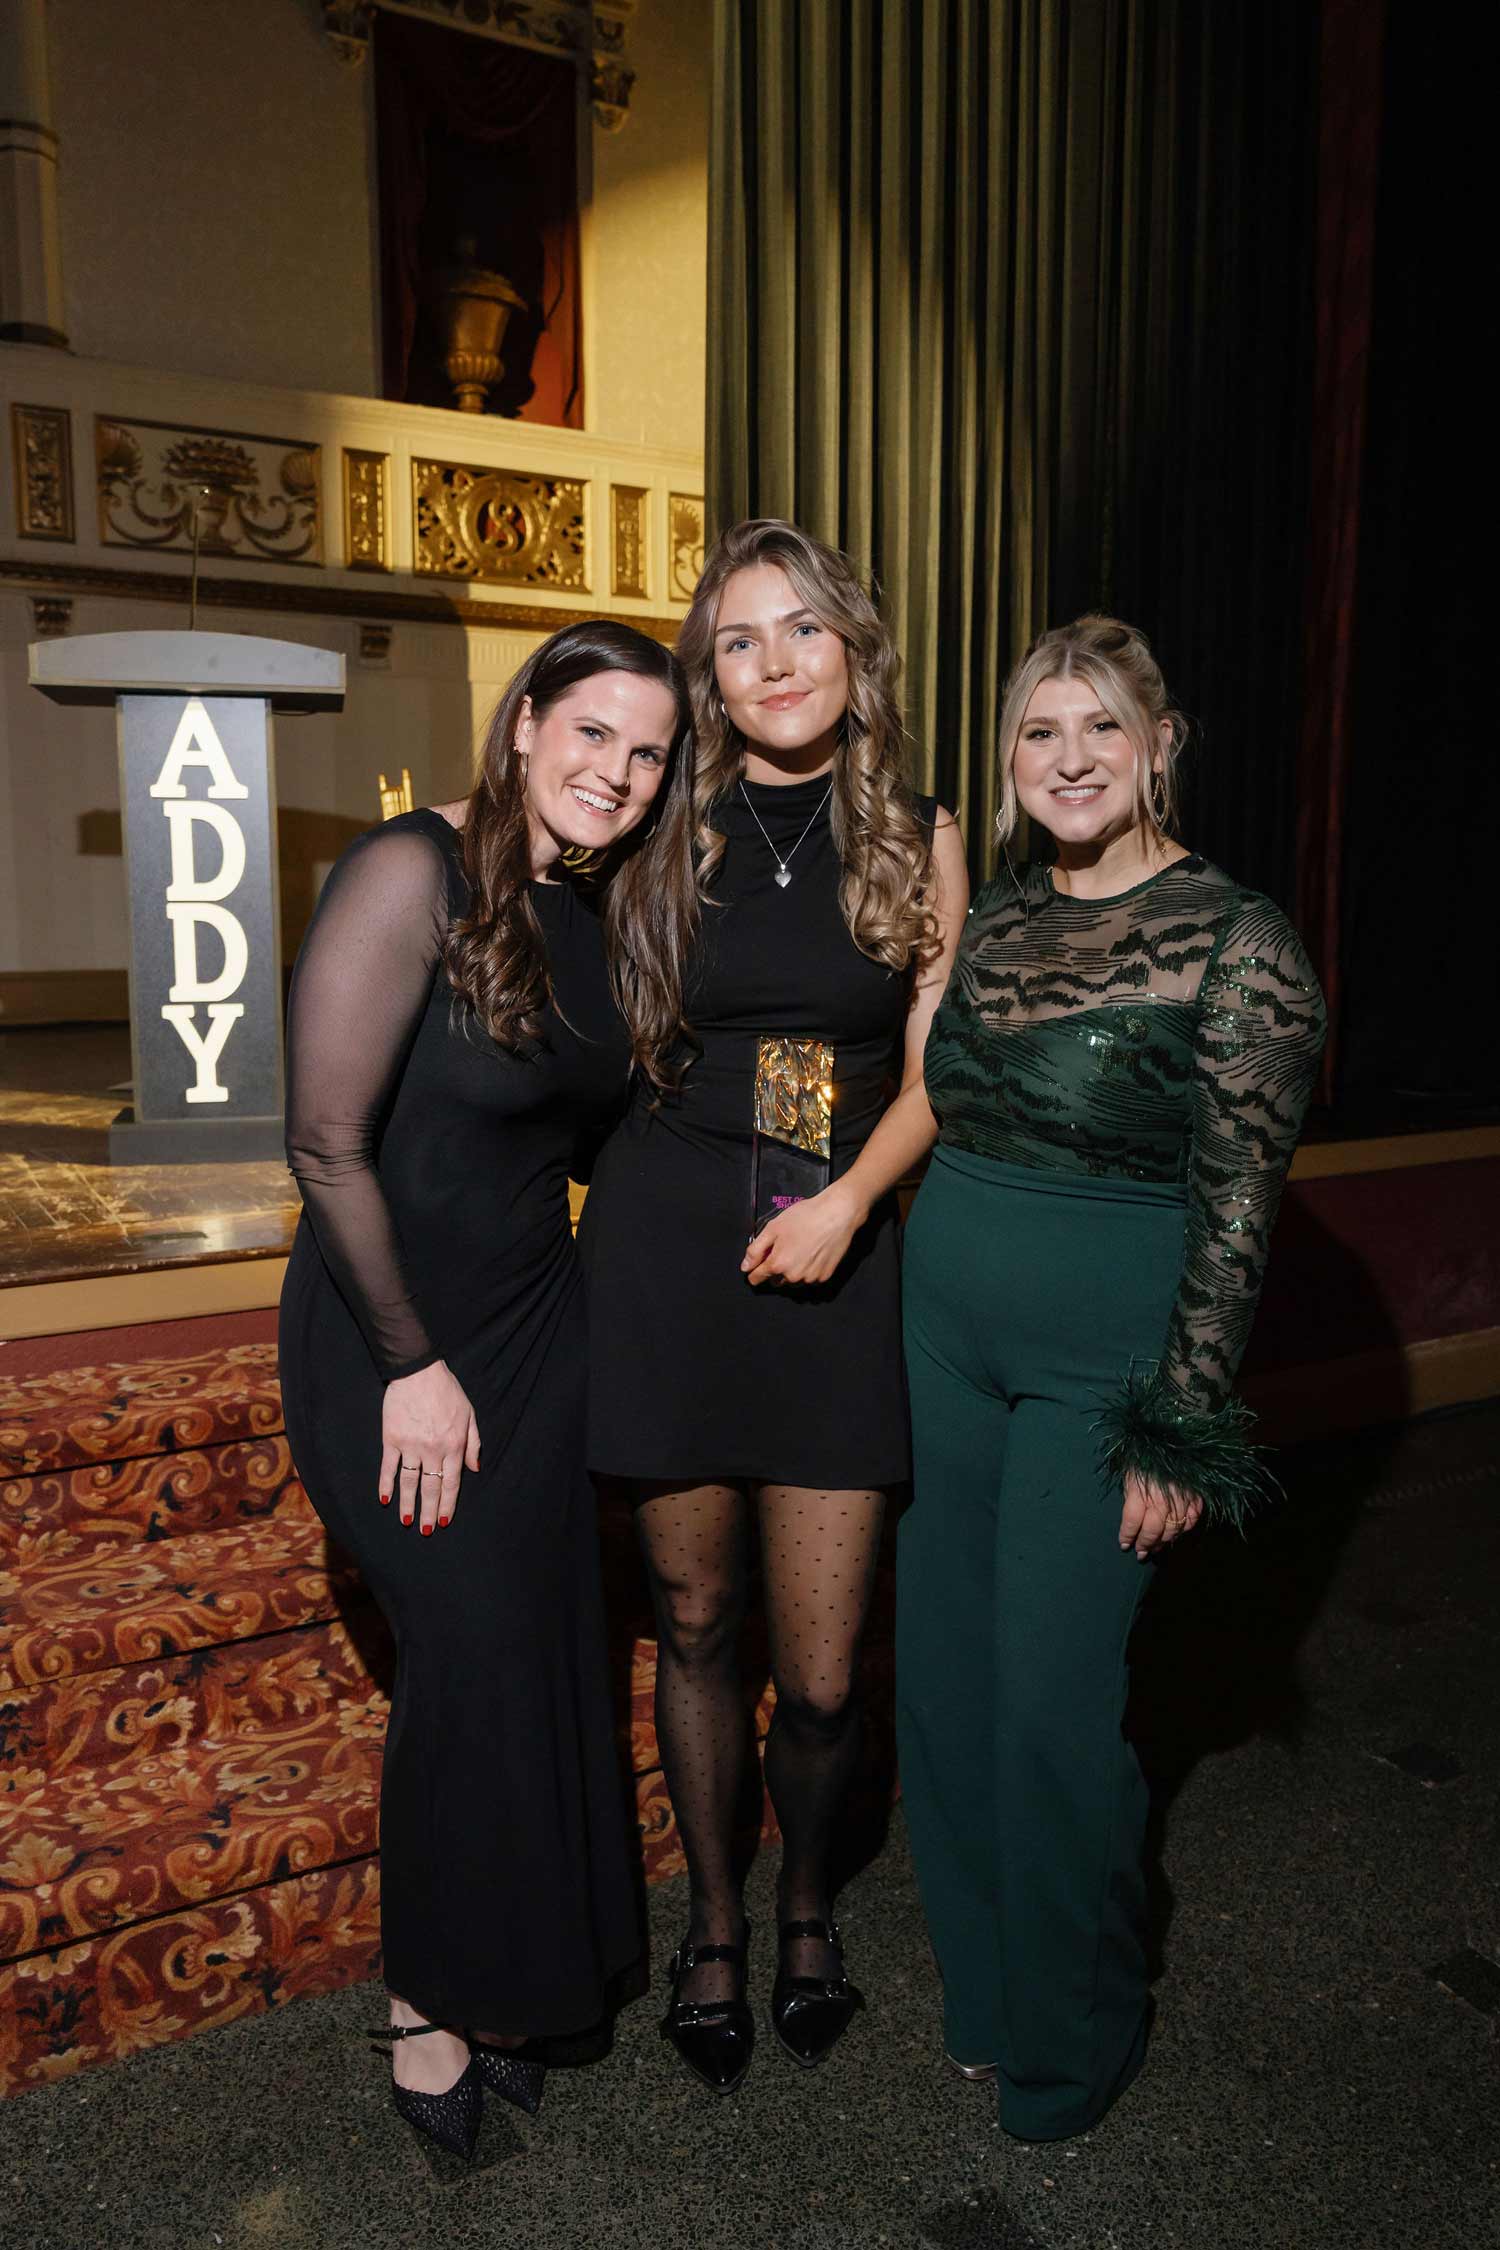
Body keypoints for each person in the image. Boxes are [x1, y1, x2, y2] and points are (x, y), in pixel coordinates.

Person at [896, 614, 1326, 2142]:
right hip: (942, 1334)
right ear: (1008, 760)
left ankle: (1074, 2038)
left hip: (1102, 1364)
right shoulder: (1001, 918)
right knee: (942, 1689)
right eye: (1036, 732)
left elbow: (1237, 1206)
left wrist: (1181, 1426)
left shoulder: (1240, 939)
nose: (1066, 758)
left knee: (1051, 1707)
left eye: (1097, 729)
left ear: (1158, 745)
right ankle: (990, 1991)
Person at [278, 620, 698, 2160]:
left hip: (535, 1336)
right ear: (524, 723)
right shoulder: (412, 871)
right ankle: (427, 1997)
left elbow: (584, 1142)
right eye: (593, 733)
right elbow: (324, 1141)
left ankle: (528, 1975)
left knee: (536, 1649)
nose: (619, 773)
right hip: (391, 1342)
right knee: (464, 1653)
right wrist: (409, 1366)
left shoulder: (587, 916)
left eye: (648, 754)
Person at [579, 519, 969, 2092]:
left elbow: (941, 1068)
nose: (774, 662)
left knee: (817, 1668)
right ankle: (721, 1924)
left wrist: (850, 1203)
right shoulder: (667, 814)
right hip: (672, 1243)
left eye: (800, 629)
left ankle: (814, 1901)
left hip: (833, 1241)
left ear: (852, 647)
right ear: (712, 673)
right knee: (694, 1622)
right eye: (739, 640)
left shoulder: (917, 828)